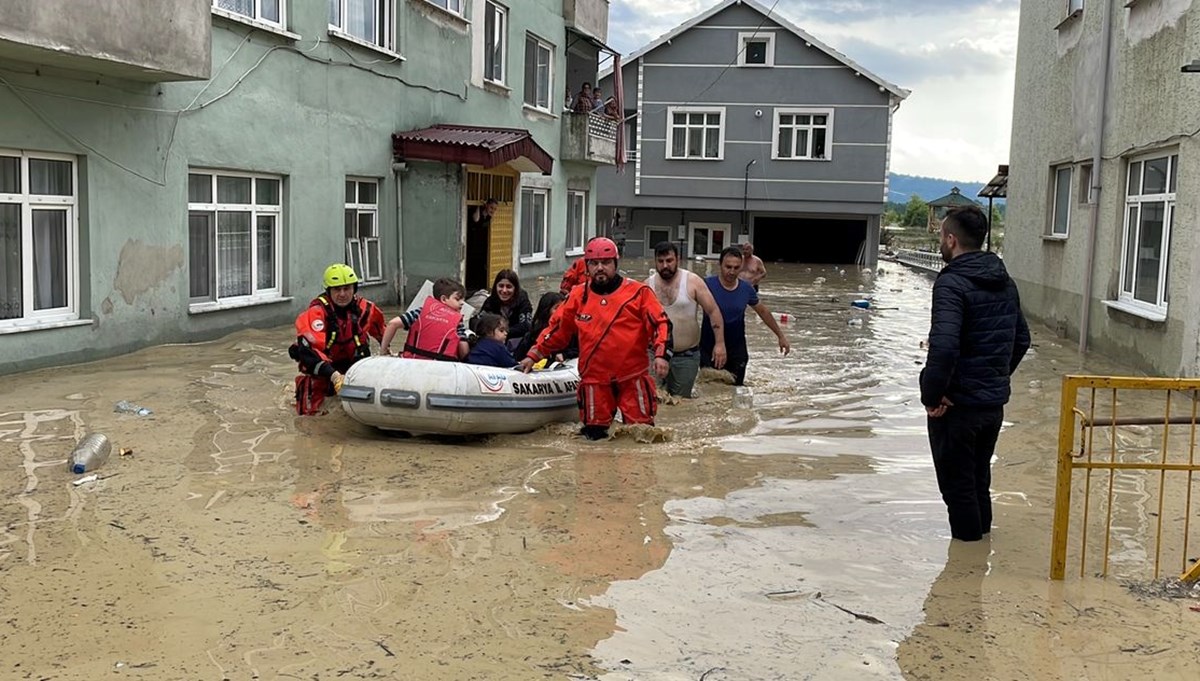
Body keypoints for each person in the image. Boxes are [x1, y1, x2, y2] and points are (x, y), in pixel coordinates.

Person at [921, 204, 1030, 542]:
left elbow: (944, 348)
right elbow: (1022, 339)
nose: (940, 241)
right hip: (991, 406)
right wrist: (995, 378)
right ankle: (979, 557)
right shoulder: (1004, 280)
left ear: (951, 239)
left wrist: (931, 394)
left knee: (958, 488)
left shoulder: (952, 283)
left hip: (957, 408)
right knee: (979, 478)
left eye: (941, 235)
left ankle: (965, 565)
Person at [519, 237, 671, 440]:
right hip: (594, 380)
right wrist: (533, 355)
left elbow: (660, 323)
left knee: (641, 436)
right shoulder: (577, 295)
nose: (600, 268)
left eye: (606, 262)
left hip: (632, 377)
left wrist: (661, 354)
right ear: (587, 266)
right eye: (594, 263)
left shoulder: (638, 293)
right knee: (593, 440)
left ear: (616, 263)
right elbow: (557, 330)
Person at [289, 263, 387, 416]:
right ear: (328, 291)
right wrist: (334, 376)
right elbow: (309, 352)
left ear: (354, 289)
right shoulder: (316, 314)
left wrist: (388, 355)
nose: (342, 294)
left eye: (347, 288)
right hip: (323, 373)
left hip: (354, 370)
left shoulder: (366, 310)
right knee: (309, 418)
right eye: (337, 289)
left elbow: (384, 334)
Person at [646, 241, 727, 398]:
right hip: (654, 354)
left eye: (669, 261)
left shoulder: (693, 282)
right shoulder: (647, 286)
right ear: (655, 261)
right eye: (660, 261)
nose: (665, 266)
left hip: (686, 356)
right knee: (653, 401)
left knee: (681, 403)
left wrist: (720, 343)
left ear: (678, 259)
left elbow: (713, 311)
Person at [700, 246, 790, 386]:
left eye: (736, 268)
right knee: (709, 392)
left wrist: (781, 336)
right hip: (709, 347)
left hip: (737, 349)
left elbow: (763, 312)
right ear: (720, 265)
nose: (731, 272)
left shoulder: (746, 289)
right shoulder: (706, 285)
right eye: (728, 267)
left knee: (736, 392)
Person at [380, 277, 471, 361]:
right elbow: (463, 346)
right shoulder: (457, 322)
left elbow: (392, 323)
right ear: (443, 299)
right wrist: (467, 361)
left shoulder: (420, 313)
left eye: (463, 299)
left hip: (413, 361)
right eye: (458, 299)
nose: (462, 303)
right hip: (442, 366)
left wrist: (384, 351)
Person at [515, 291, 578, 362]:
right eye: (556, 308)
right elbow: (518, 359)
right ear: (546, 311)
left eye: (563, 308)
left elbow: (580, 350)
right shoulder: (532, 336)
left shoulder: (571, 333)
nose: (561, 312)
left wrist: (565, 355)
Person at [479, 269, 533, 351]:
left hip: (517, 344)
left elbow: (526, 326)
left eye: (509, 287)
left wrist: (501, 332)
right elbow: (478, 322)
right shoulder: (490, 301)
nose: (504, 291)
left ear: (515, 289)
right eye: (501, 286)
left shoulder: (522, 301)